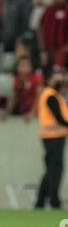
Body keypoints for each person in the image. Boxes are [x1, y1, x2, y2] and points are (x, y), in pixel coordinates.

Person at [36, 69, 68, 208]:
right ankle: (54, 201)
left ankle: (40, 201)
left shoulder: (52, 94)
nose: (59, 78)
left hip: (52, 137)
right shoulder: (51, 95)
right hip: (53, 137)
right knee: (55, 169)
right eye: (56, 76)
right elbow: (59, 117)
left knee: (51, 169)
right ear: (49, 79)